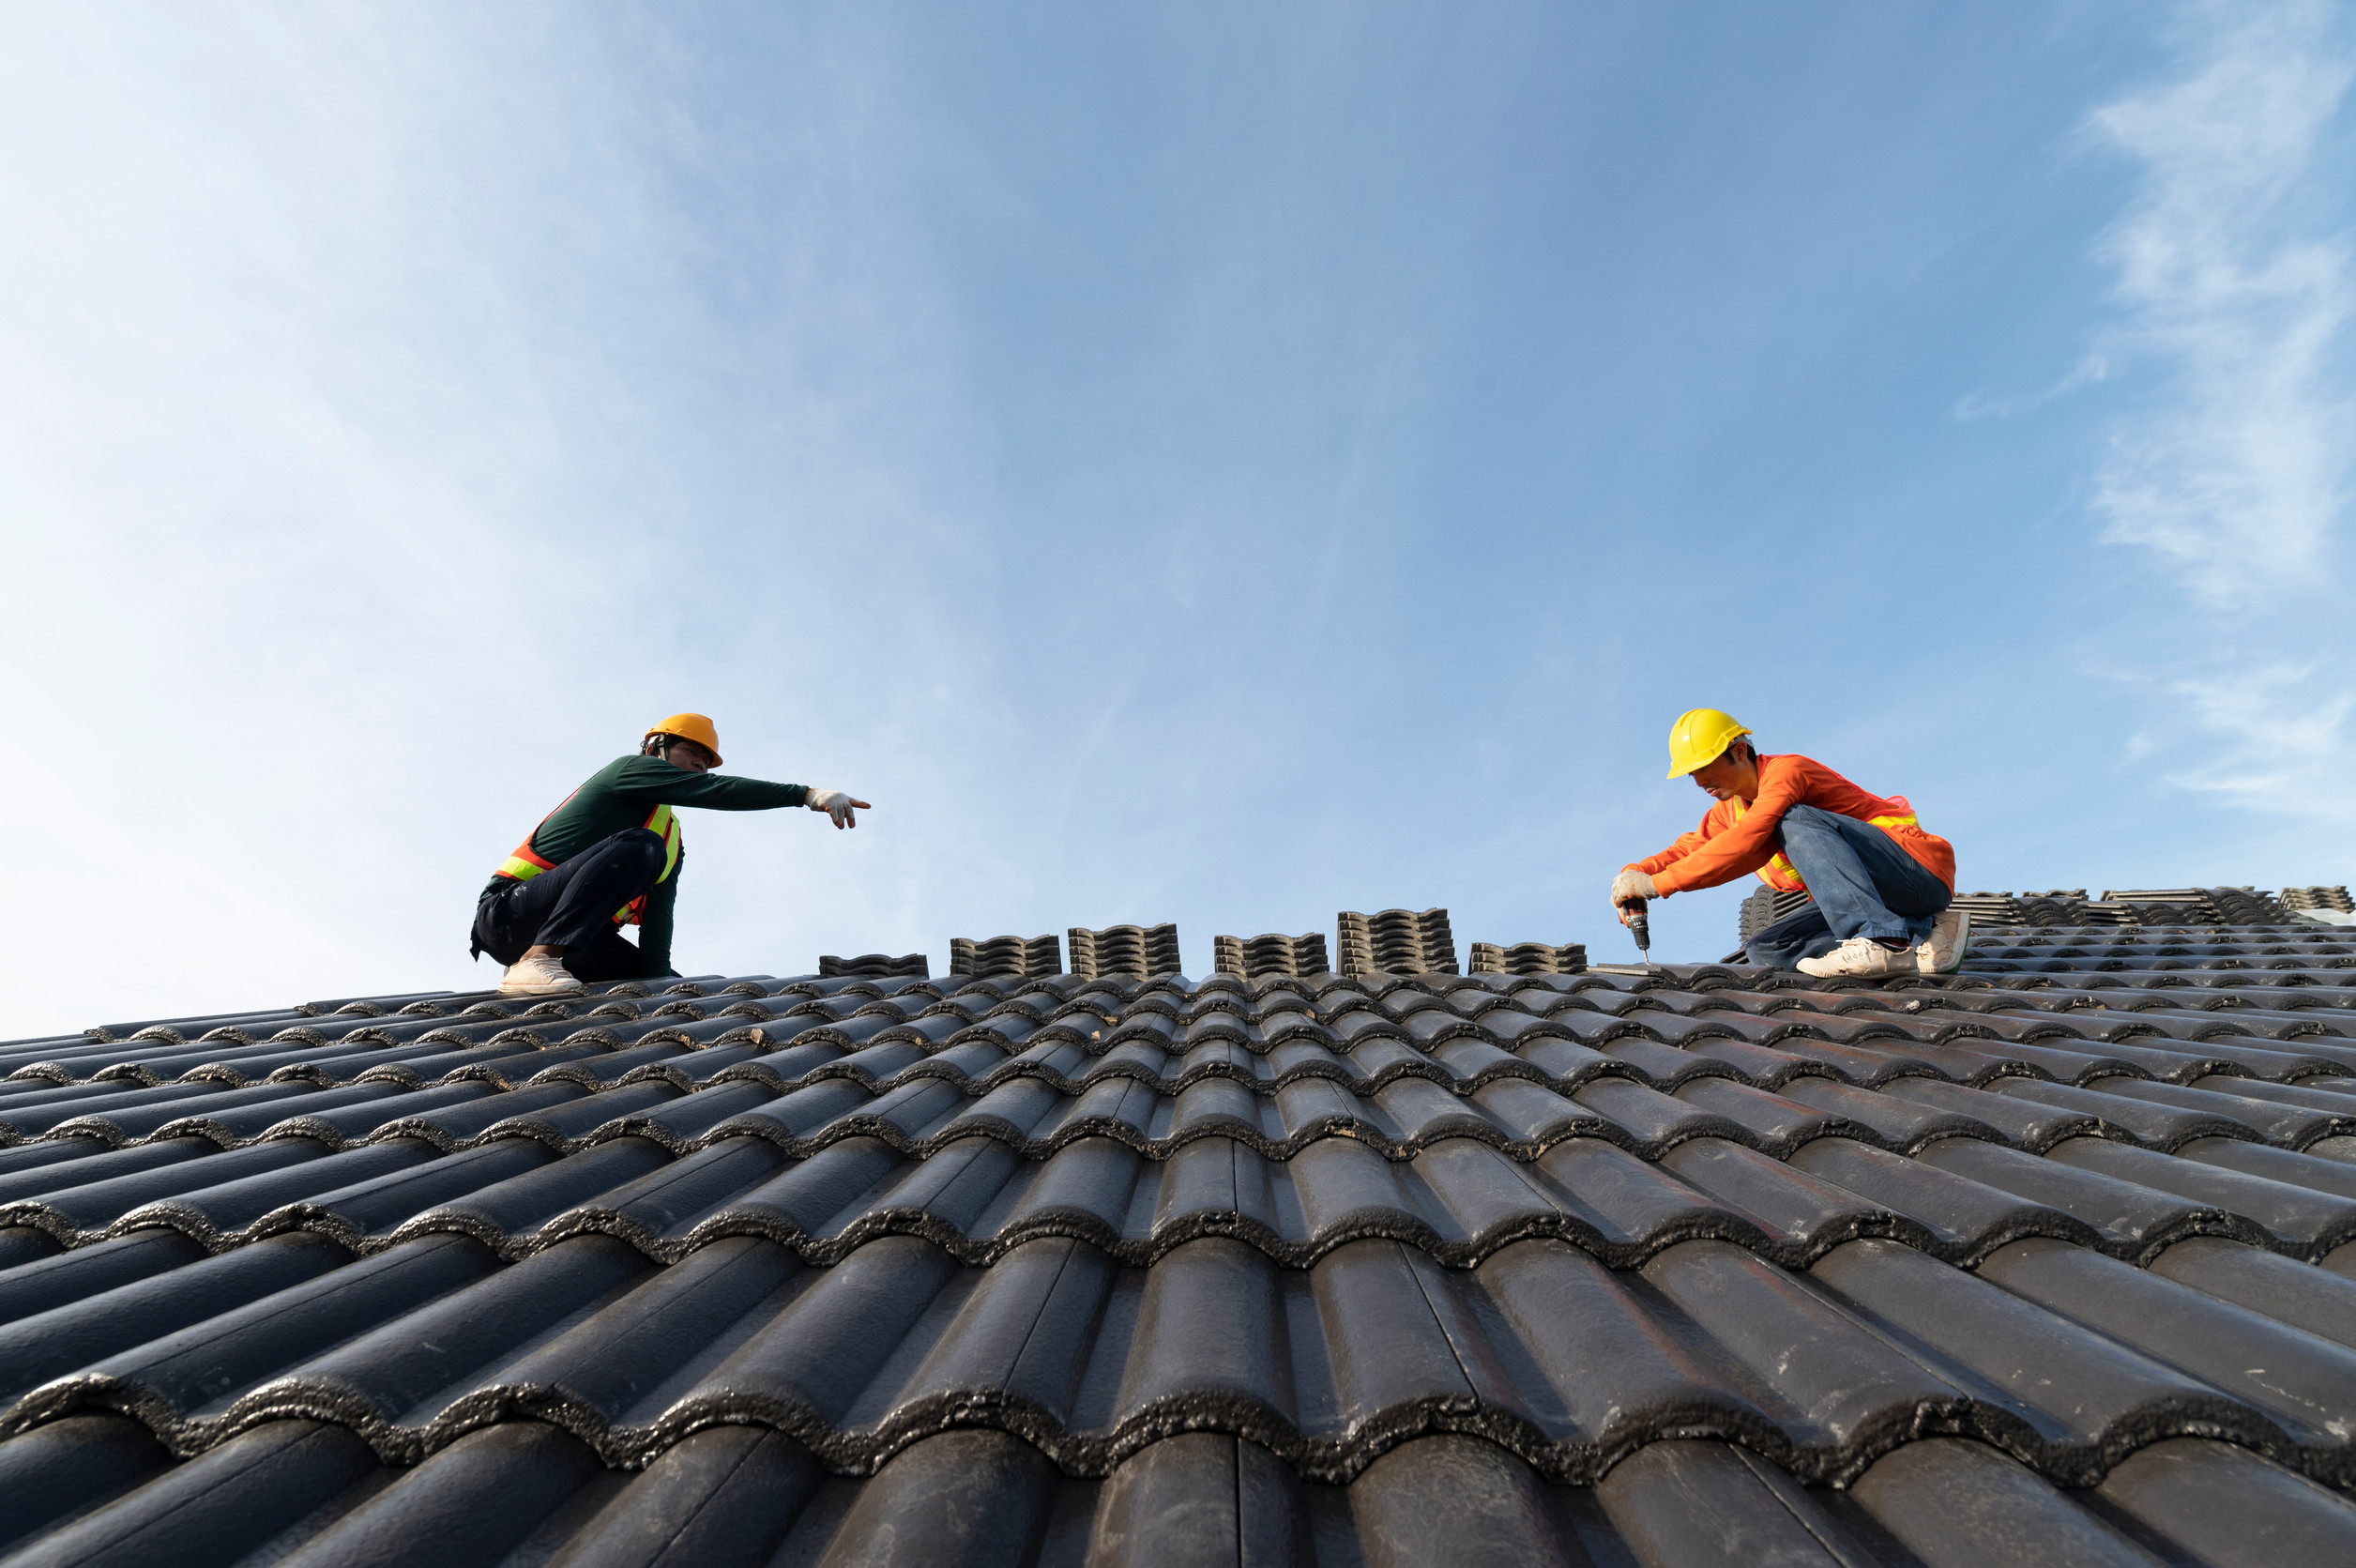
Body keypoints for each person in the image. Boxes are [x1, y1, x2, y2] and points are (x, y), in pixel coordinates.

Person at [473, 712, 870, 997]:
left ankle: (542, 968)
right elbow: (717, 791)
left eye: (705, 762)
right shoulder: (627, 771)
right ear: (655, 747)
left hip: (581, 945)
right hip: (508, 914)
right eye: (690, 752)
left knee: (680, 994)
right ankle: (535, 960)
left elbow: (658, 919)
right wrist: (804, 795)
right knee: (639, 845)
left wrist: (662, 990)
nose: (700, 765)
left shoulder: (670, 839)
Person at [1608, 708, 1968, 979]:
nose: (1699, 780)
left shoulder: (1786, 774)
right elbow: (1693, 847)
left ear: (1737, 751)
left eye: (1704, 765)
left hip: (1916, 873)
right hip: (1875, 900)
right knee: (1765, 949)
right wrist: (1636, 872)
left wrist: (1656, 886)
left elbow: (1747, 842)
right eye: (1691, 773)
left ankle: (1883, 941)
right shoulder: (1729, 810)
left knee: (1791, 818)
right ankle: (1922, 935)